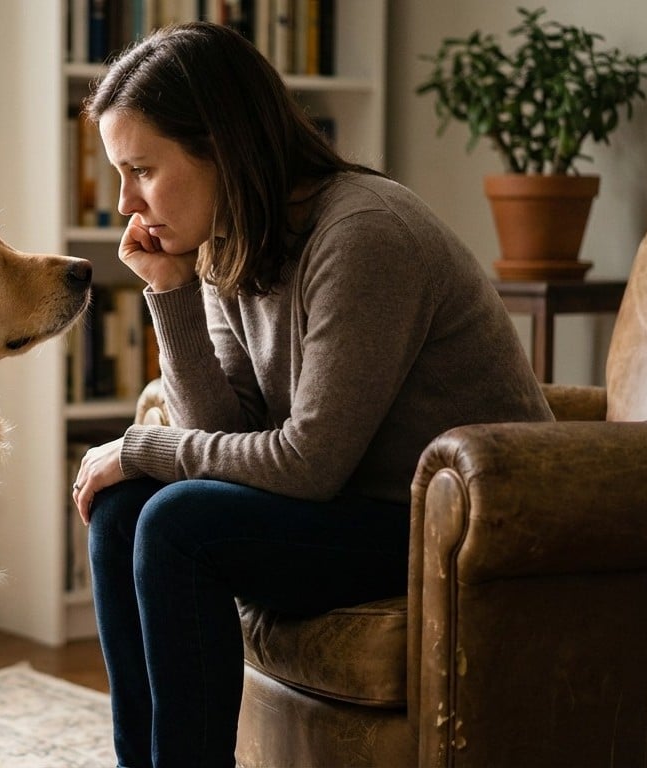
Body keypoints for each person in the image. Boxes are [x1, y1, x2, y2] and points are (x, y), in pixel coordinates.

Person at [69, 21, 553, 768]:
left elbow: (306, 464)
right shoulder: (231, 240)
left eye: (141, 169)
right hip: (352, 507)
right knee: (124, 508)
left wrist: (141, 447)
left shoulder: (364, 233)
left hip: (456, 525)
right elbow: (224, 431)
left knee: (172, 518)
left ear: (221, 147)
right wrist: (170, 291)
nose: (128, 201)